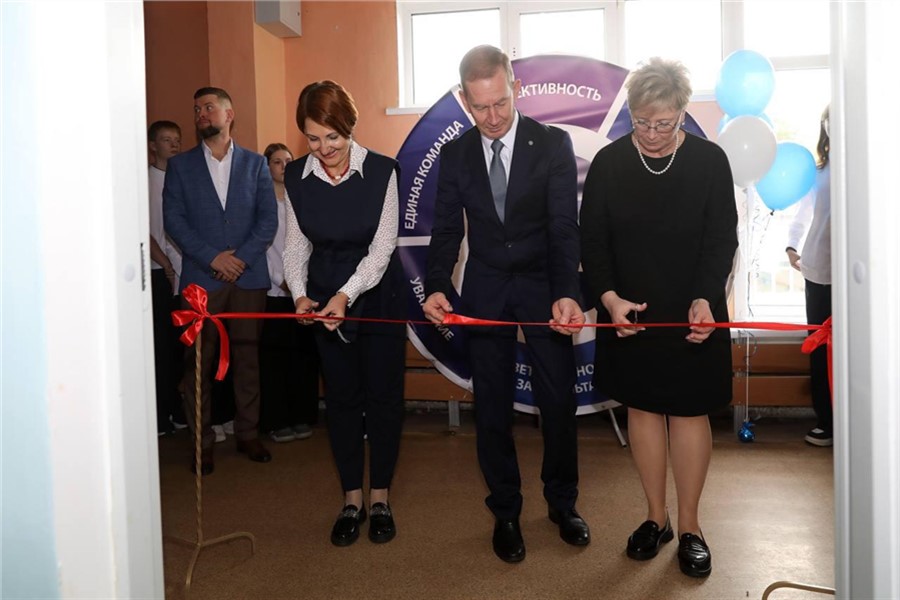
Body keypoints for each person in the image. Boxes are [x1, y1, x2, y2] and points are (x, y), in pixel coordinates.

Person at [422, 45, 588, 564]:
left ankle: (562, 502)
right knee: (492, 406)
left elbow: (564, 227)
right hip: (487, 287)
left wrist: (567, 292)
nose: (492, 117)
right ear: (464, 100)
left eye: (500, 103)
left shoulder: (552, 143)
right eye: (480, 107)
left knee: (558, 400)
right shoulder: (456, 155)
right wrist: (436, 284)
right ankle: (506, 511)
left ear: (514, 87)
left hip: (544, 287)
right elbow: (446, 229)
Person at [580, 57, 738, 578]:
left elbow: (721, 239)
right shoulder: (608, 165)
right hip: (631, 312)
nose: (651, 134)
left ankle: (691, 526)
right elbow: (593, 243)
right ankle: (657, 518)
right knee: (643, 410)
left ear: (683, 114)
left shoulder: (710, 162)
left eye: (664, 124)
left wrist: (706, 298)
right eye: (642, 122)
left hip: (694, 312)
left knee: (689, 412)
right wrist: (608, 299)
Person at [283, 80, 406, 547]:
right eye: (313, 138)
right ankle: (352, 499)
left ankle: (381, 498)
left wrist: (346, 294)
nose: (324, 148)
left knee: (384, 399)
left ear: (349, 127)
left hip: (377, 297)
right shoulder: (297, 176)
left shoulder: (383, 171)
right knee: (342, 400)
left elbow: (382, 248)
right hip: (324, 304)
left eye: (332, 137)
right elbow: (296, 245)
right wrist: (300, 295)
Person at [164, 87, 278, 475]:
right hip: (201, 280)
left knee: (248, 360)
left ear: (229, 115)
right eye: (197, 108)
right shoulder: (181, 167)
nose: (201, 113)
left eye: (209, 107)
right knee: (198, 364)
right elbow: (174, 220)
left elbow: (268, 220)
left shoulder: (256, 164)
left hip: (248, 278)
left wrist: (239, 259)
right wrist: (213, 258)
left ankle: (248, 433)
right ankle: (202, 443)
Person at [259, 142, 320, 443]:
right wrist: (282, 280)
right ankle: (277, 420)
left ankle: (302, 414)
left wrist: (302, 283)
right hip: (275, 292)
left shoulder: (304, 201)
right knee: (275, 359)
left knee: (303, 357)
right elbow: (263, 248)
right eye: (277, 162)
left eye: (288, 161)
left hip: (304, 293)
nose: (284, 167)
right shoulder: (262, 204)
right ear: (267, 167)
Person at [786, 105, 832, 447]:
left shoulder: (868, 167)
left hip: (858, 278)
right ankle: (826, 422)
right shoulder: (818, 173)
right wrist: (791, 246)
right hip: (818, 272)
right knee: (819, 348)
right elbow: (803, 215)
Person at [148, 120, 185, 436]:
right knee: (159, 348)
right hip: (158, 273)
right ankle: (160, 414)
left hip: (183, 273)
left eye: (176, 140)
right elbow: (146, 231)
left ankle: (177, 407)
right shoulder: (147, 181)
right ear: (153, 146)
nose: (173, 145)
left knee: (179, 347)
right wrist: (167, 266)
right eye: (166, 140)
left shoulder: (183, 178)